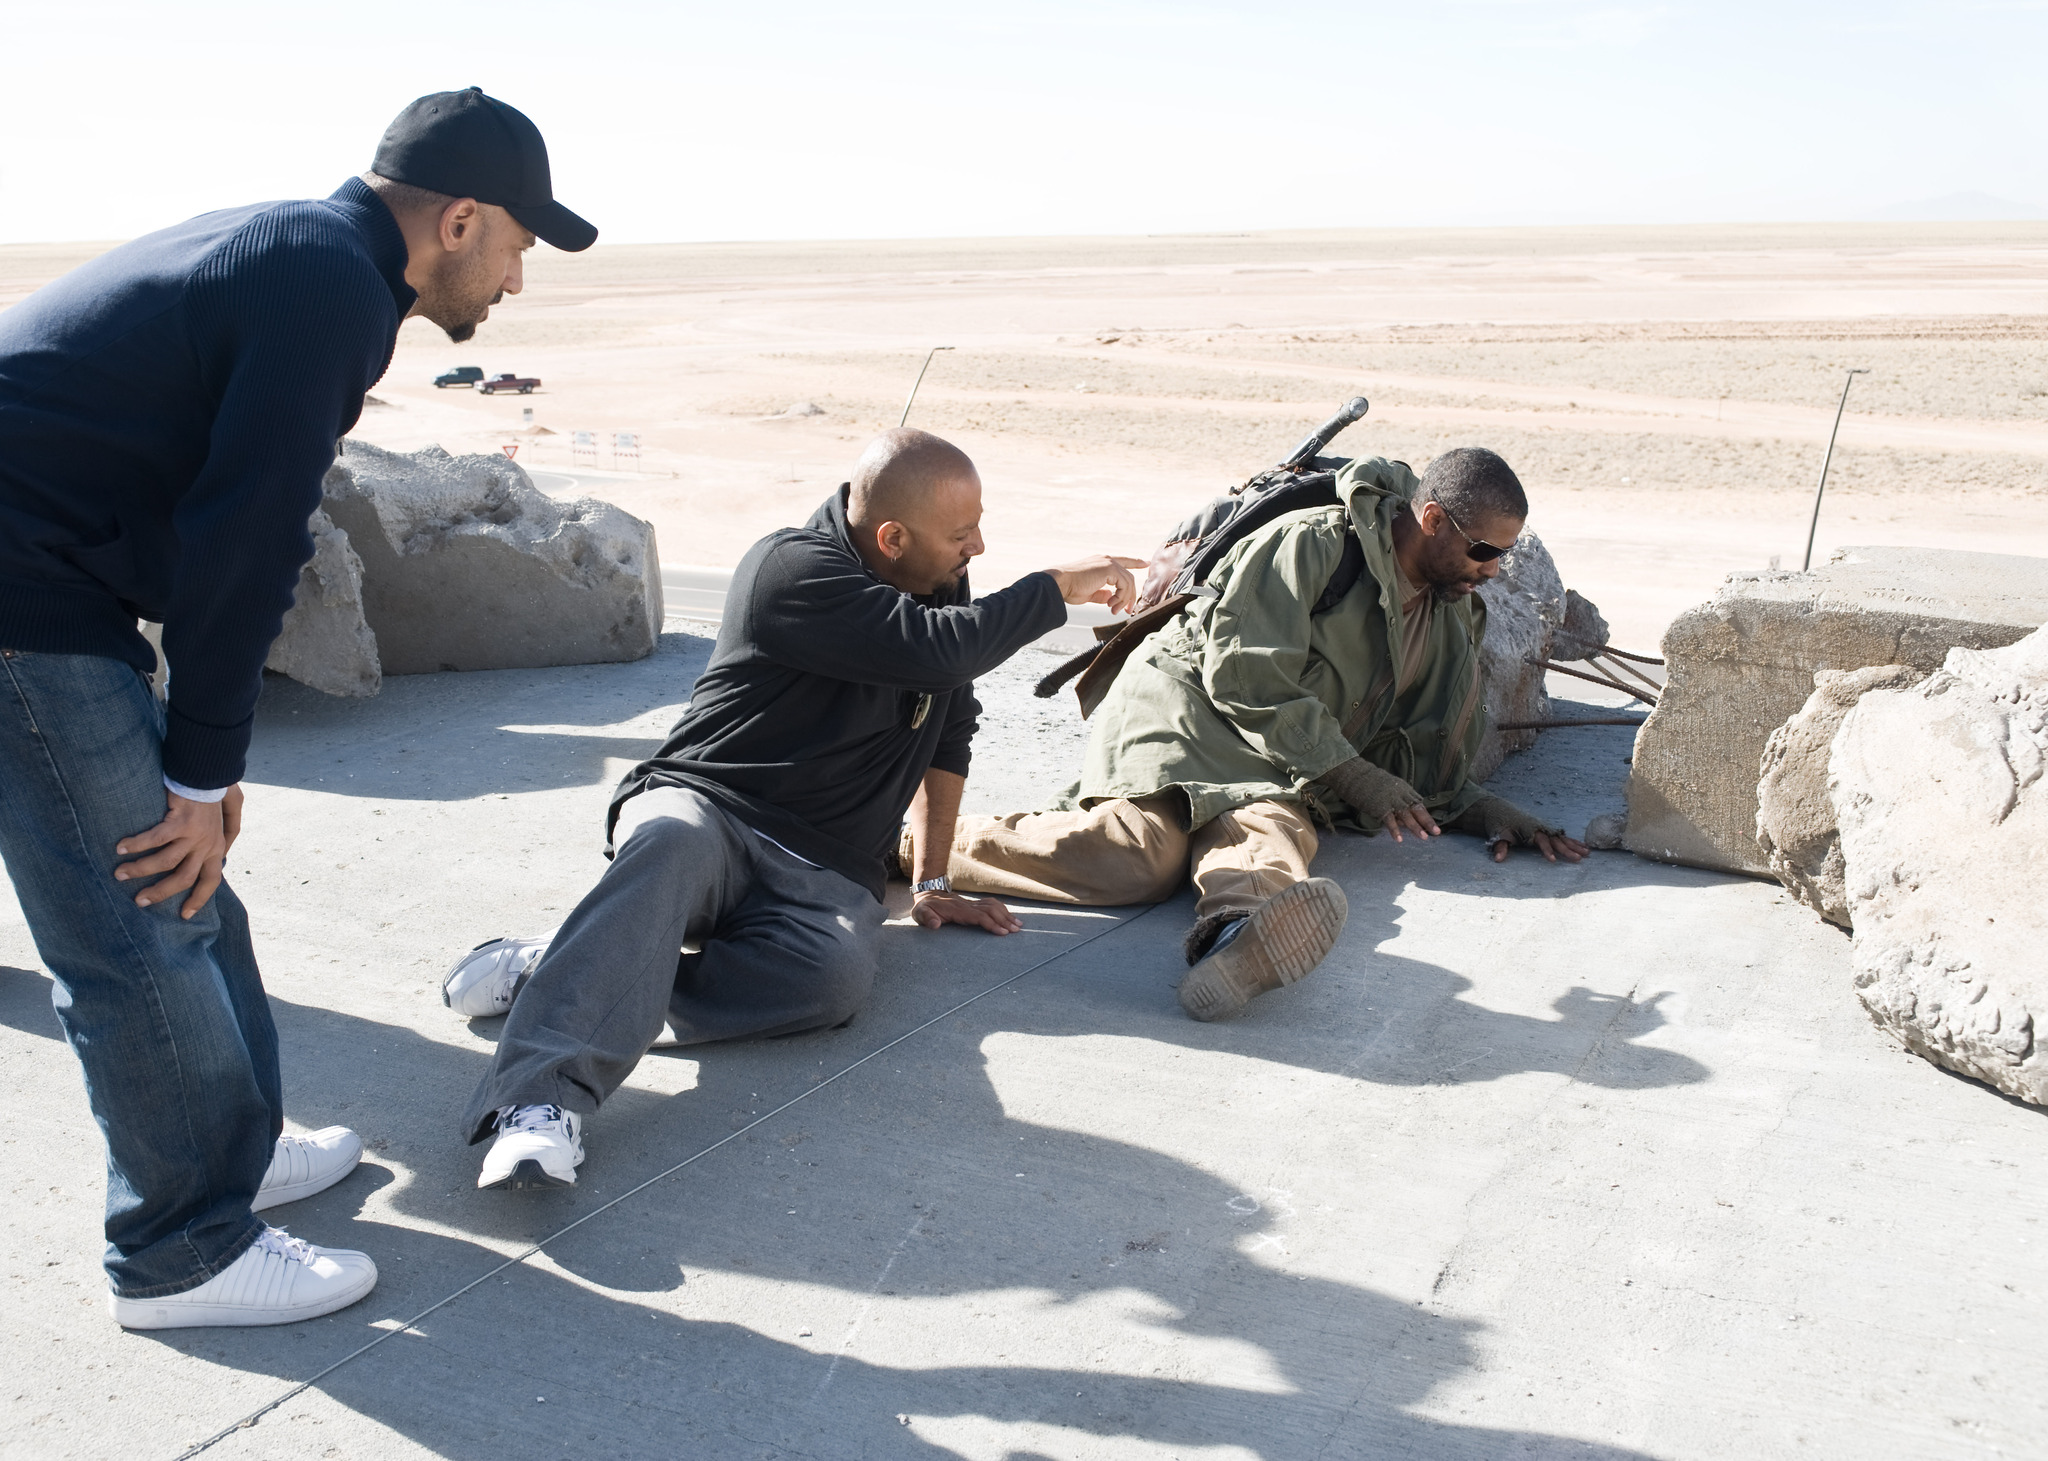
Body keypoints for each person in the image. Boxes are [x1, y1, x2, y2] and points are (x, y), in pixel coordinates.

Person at [0, 87, 596, 1329]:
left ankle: (233, 1146)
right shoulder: (327, 286)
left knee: (189, 885)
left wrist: (204, 772)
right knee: (138, 916)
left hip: (51, 576)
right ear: (460, 220)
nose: (514, 285)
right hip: (22, 600)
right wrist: (200, 768)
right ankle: (179, 1253)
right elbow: (249, 537)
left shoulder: (310, 255)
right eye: (518, 250)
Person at [443, 429, 1141, 1190]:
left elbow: (950, 725)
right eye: (960, 532)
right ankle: (540, 1098)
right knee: (668, 841)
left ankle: (570, 970)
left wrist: (933, 883)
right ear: (892, 537)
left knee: (831, 981)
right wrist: (1051, 587)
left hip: (825, 868)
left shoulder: (937, 584)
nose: (979, 544)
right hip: (712, 808)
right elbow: (941, 653)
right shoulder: (790, 569)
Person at [929, 447, 1589, 1022]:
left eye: (1502, 554)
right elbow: (1245, 674)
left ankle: (1235, 941)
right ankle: (912, 844)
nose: (1493, 570)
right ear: (1433, 519)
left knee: (1273, 831)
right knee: (1144, 854)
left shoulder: (1449, 618)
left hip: (1280, 758)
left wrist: (1482, 808)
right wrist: (1352, 775)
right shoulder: (1314, 545)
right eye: (1484, 550)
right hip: (1190, 703)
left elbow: (1411, 748)